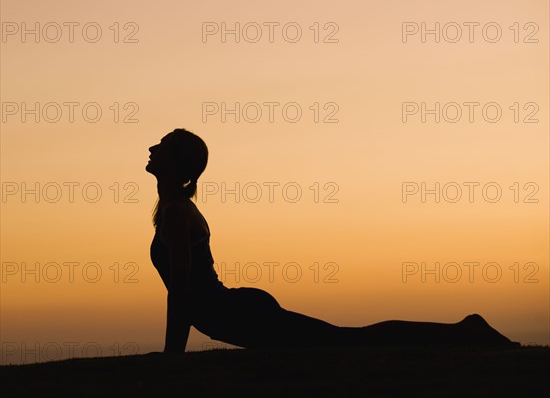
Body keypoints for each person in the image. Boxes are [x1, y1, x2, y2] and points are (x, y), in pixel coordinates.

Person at [147, 128, 518, 353]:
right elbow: (183, 294)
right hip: (234, 312)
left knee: (351, 341)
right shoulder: (171, 209)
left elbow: (181, 292)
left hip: (238, 314)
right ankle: (464, 330)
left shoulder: (179, 211)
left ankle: (466, 330)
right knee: (346, 339)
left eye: (162, 146)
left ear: (177, 164)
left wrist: (171, 356)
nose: (152, 148)